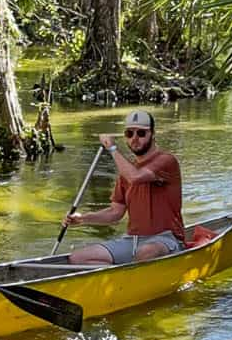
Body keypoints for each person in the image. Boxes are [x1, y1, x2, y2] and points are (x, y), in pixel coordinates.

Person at [62, 109, 186, 264]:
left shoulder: (166, 161)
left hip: (165, 239)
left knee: (147, 252)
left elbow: (135, 177)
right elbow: (115, 213)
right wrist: (83, 218)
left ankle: (132, 276)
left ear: (153, 134)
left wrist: (112, 149)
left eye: (141, 133)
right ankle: (120, 283)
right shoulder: (126, 172)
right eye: (129, 133)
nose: (135, 139)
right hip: (132, 241)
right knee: (78, 258)